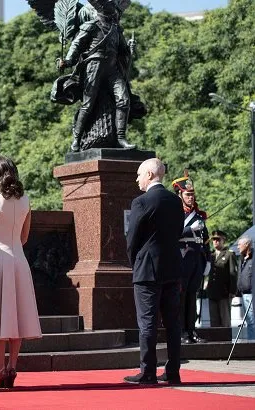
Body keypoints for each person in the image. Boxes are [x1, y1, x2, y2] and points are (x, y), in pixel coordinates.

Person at [0, 156, 42, 389]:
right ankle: (13, 365)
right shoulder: (26, 200)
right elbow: (24, 237)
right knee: (17, 314)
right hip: (18, 259)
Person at [124, 158, 184, 385]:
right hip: (172, 267)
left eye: (139, 174)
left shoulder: (141, 201)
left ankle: (148, 371)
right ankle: (174, 371)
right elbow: (178, 232)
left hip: (147, 269)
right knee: (172, 322)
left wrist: (135, 262)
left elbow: (132, 239)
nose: (137, 179)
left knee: (147, 322)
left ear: (149, 174)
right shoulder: (175, 201)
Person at [58, 0, 136, 152]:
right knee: (88, 104)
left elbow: (123, 52)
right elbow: (76, 45)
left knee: (124, 100)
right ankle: (76, 139)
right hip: (94, 66)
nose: (114, 9)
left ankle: (121, 138)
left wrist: (130, 49)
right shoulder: (91, 26)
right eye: (110, 6)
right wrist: (67, 61)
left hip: (112, 69)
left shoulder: (116, 30)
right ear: (101, 8)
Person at [172, 172, 210, 343]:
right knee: (181, 295)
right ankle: (181, 332)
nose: (191, 198)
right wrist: (189, 229)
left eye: (192, 194)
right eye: (187, 194)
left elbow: (206, 240)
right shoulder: (174, 213)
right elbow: (171, 234)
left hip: (196, 259)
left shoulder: (198, 216)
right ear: (179, 194)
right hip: (181, 258)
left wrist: (208, 260)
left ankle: (191, 330)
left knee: (192, 296)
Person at [208, 230, 237, 328]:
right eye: (214, 240)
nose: (215, 241)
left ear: (223, 240)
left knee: (225, 320)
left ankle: (226, 342)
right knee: (214, 321)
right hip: (212, 292)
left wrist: (232, 291)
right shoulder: (210, 256)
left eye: (218, 239)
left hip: (224, 293)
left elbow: (233, 273)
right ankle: (215, 342)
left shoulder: (229, 254)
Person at [236, 236, 255, 340]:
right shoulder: (242, 258)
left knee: (252, 321)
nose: (238, 247)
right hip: (244, 294)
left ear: (247, 244)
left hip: (251, 294)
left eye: (240, 244)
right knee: (249, 321)